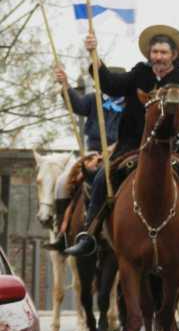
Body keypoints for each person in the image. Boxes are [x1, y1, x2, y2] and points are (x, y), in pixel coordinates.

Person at [63, 25, 179, 269]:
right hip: (134, 145)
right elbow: (111, 84)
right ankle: (89, 234)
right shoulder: (139, 73)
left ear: (174, 55)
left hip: (176, 150)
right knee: (102, 176)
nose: (158, 57)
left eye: (163, 52)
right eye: (155, 52)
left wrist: (178, 141)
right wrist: (95, 56)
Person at [44, 66, 126, 252]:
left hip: (119, 152)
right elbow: (78, 105)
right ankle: (62, 233)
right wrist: (66, 85)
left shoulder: (132, 104)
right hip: (92, 153)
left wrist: (111, 150)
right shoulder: (93, 99)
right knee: (63, 182)